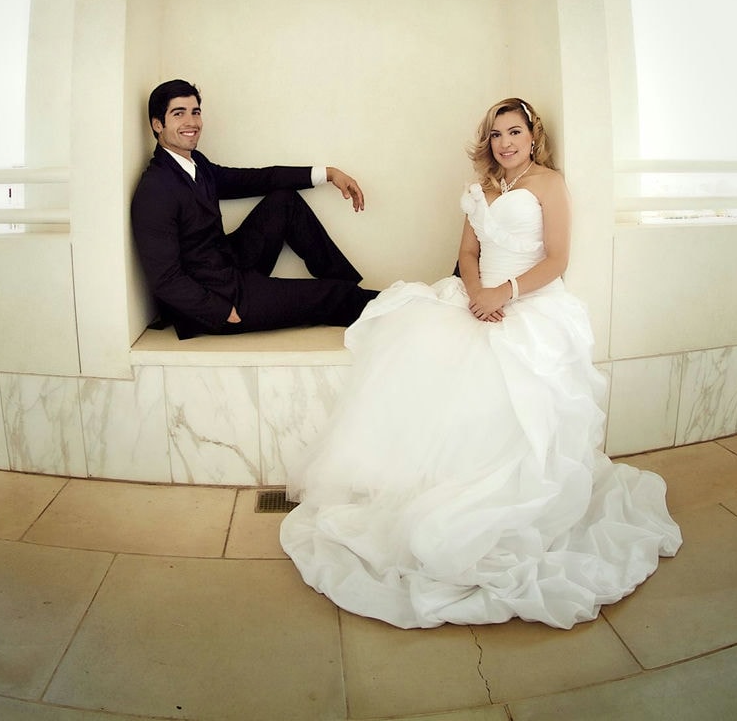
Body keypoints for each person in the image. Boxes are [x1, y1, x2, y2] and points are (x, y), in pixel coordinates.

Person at [280, 97, 681, 629]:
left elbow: (558, 257)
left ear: (533, 137)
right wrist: (476, 294)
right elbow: (467, 252)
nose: (506, 143)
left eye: (515, 132)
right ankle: (414, 491)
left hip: (531, 303)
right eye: (497, 135)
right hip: (478, 298)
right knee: (417, 352)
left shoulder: (549, 184)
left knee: (500, 388)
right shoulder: (483, 190)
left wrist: (505, 294)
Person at [131, 78, 378, 338]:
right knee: (333, 296)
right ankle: (387, 306)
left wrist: (327, 173)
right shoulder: (155, 189)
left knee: (284, 201)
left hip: (227, 263)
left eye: (196, 112)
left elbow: (256, 179)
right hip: (218, 297)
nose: (191, 122)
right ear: (158, 124)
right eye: (178, 114)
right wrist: (221, 311)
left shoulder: (196, 164)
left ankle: (352, 289)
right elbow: (165, 279)